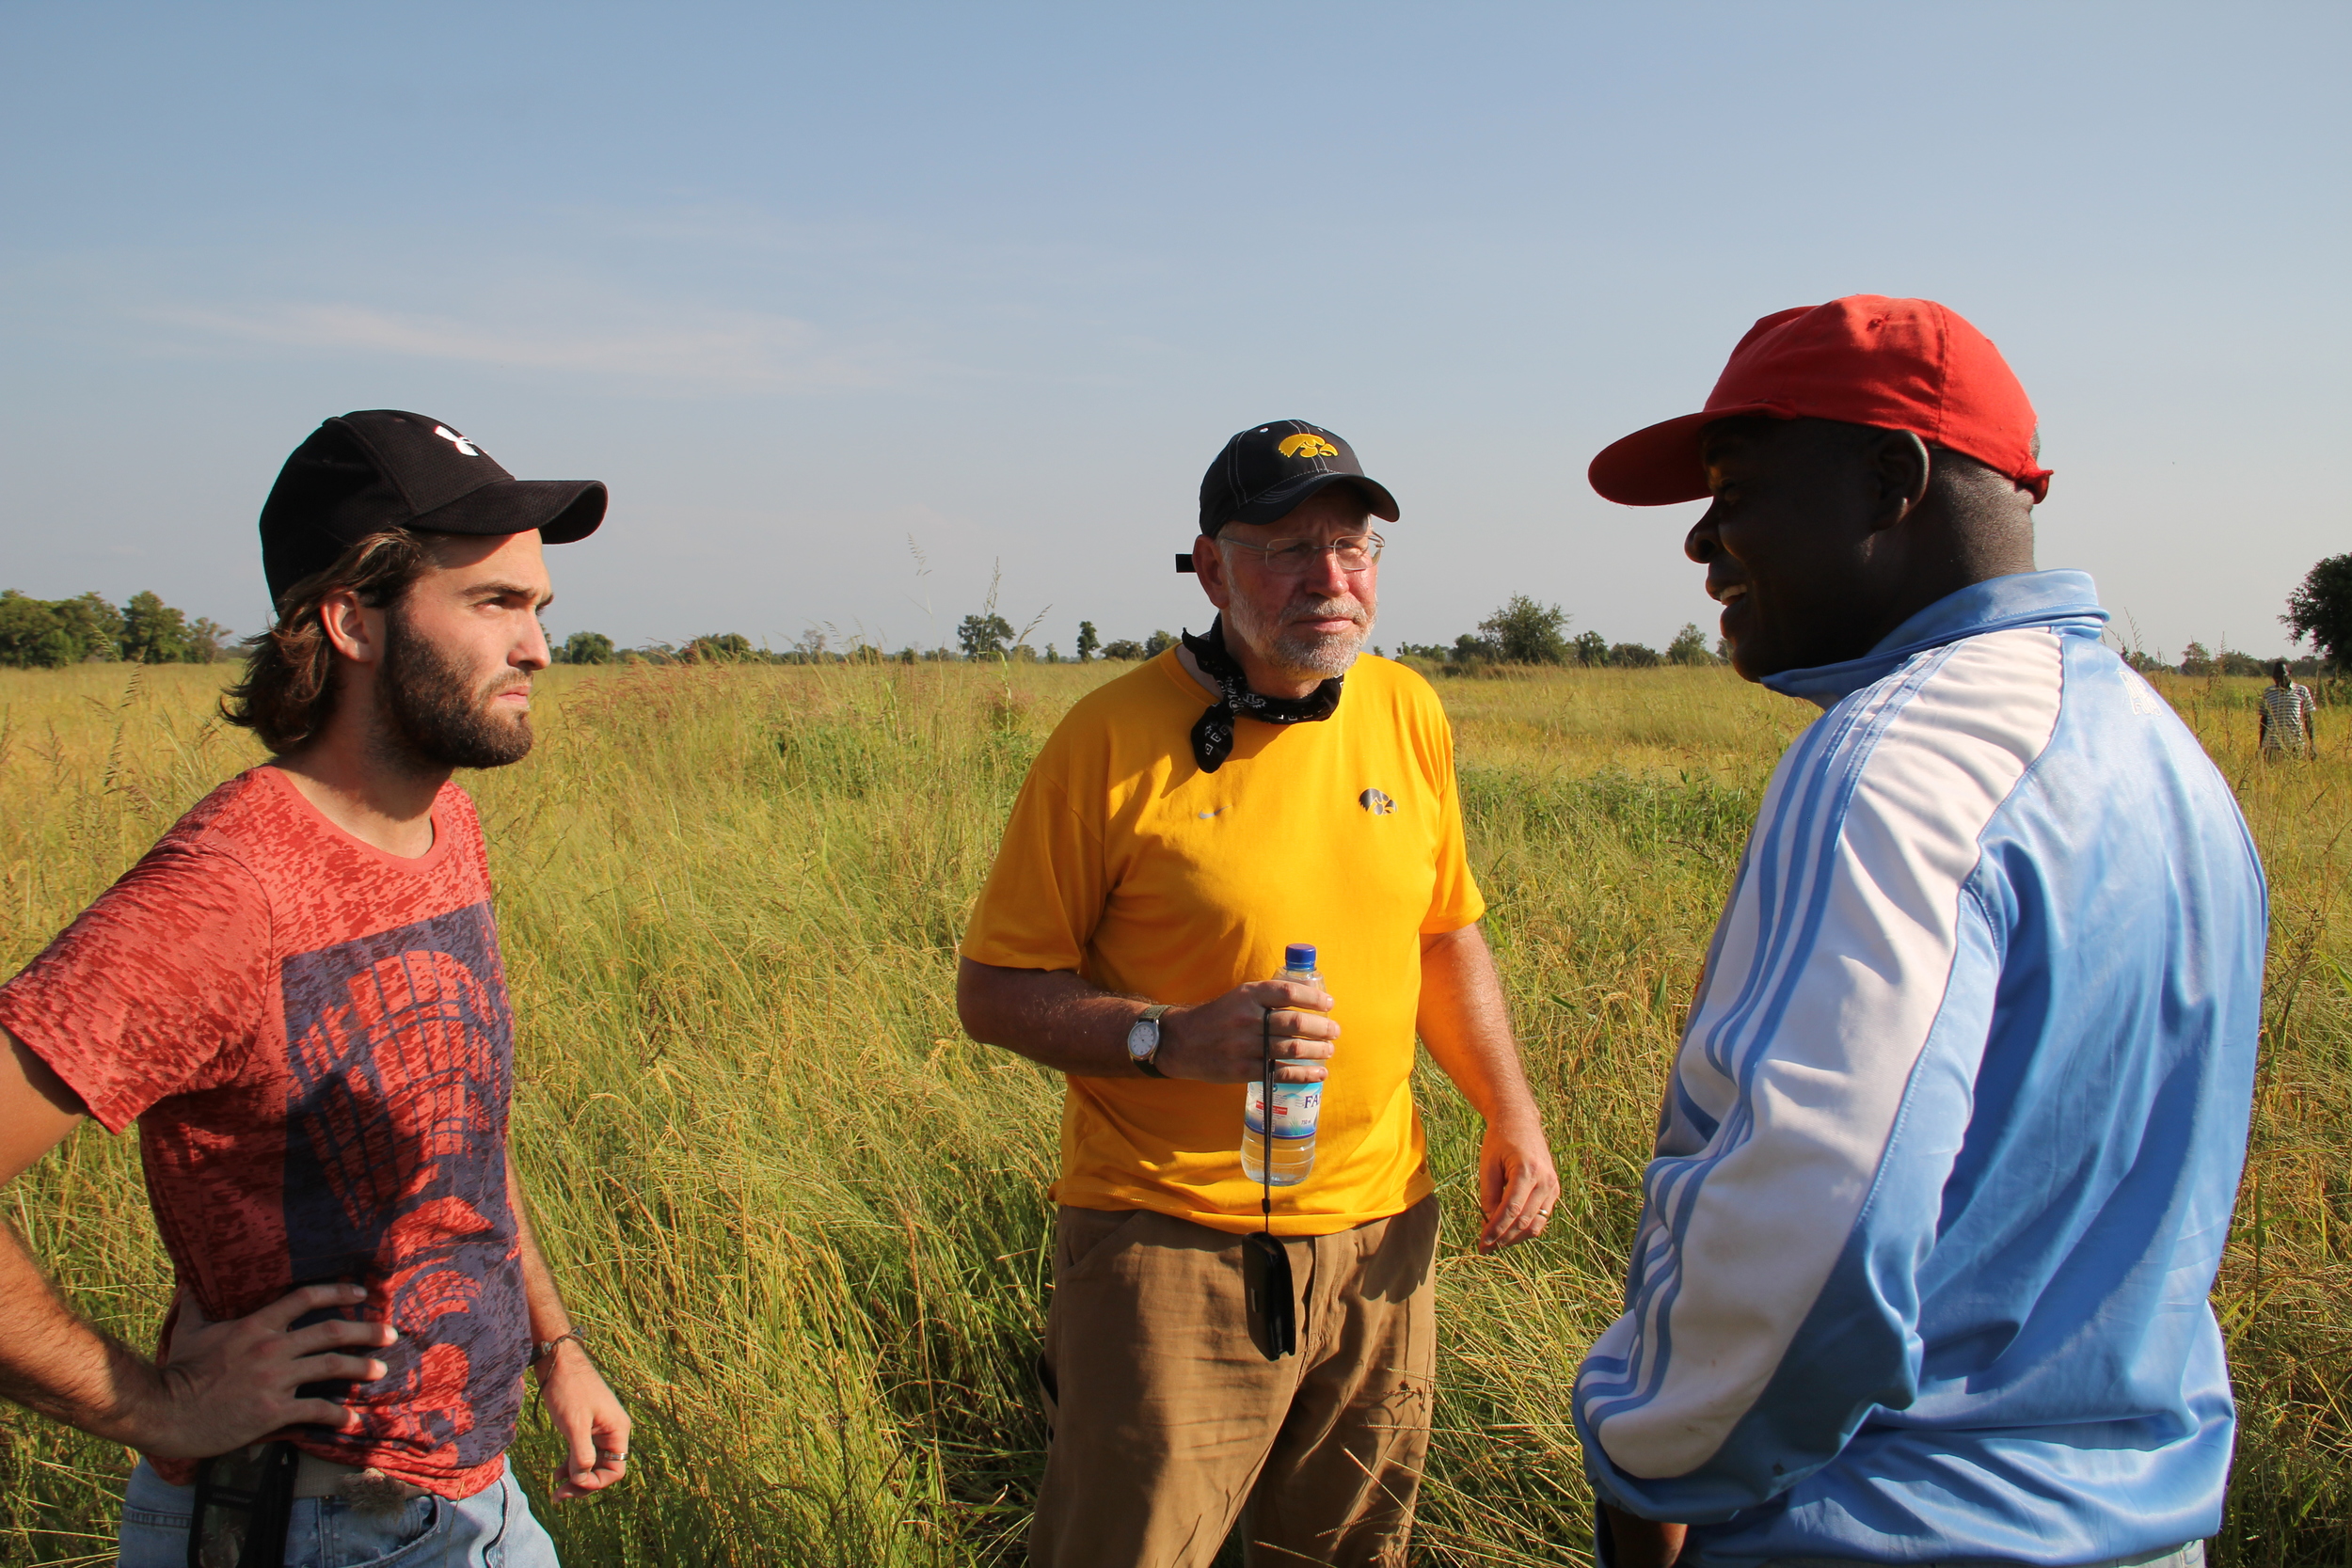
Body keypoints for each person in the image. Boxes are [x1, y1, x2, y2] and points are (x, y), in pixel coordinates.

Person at [1573, 298, 2265, 1567]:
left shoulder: (1899, 758)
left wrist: (1648, 1457)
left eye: (1738, 489)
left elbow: (1814, 1216)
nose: (1701, 540)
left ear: (1893, 478)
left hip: (1888, 1523)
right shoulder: (2167, 758)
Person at [0, 410, 632, 1567]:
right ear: (350, 619)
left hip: (469, 1498)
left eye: (537, 607)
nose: (538, 648)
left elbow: (458, 1137)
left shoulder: (440, 826)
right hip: (314, 1519)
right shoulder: (225, 892)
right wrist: (159, 1407)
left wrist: (554, 1344)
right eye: (494, 603)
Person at [956, 420, 1560, 1567]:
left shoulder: (1404, 710)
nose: (1329, 579)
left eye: (1351, 545)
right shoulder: (1106, 741)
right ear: (1211, 565)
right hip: (1166, 1241)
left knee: (1342, 1548)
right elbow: (992, 989)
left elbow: (1444, 933)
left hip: (1381, 1232)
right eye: (1286, 550)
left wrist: (1509, 1110)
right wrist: (1169, 1035)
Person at [2259, 658, 2317, 757]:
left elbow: (2308, 719)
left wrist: (2312, 745)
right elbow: (2264, 721)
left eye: (2282, 673)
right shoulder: (2268, 692)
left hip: (2295, 745)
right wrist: (2260, 746)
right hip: (2273, 746)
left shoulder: (2301, 691)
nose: (2277, 677)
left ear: (2289, 673)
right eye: (2275, 674)